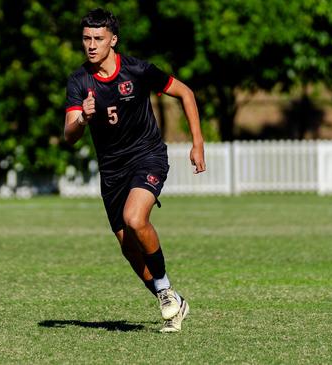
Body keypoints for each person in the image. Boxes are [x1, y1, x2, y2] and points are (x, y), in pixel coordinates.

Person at [63, 8, 206, 333]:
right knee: (128, 246)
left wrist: (197, 142)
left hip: (147, 156)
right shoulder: (79, 80)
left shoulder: (137, 70)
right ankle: (170, 300)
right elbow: (69, 136)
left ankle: (166, 288)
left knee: (135, 218)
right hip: (112, 172)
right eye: (86, 38)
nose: (91, 45)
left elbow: (185, 92)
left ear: (113, 40)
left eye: (98, 38)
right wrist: (82, 118)